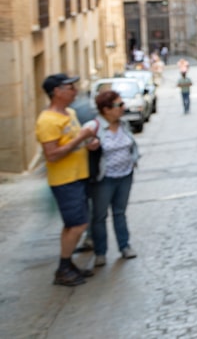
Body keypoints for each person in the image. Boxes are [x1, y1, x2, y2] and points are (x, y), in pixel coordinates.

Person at [36, 73, 100, 286]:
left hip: (78, 175)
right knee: (79, 225)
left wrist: (87, 144)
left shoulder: (70, 113)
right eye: (69, 87)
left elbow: (72, 142)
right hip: (64, 180)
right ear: (57, 92)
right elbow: (52, 154)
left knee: (72, 224)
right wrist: (81, 138)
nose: (74, 91)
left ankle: (68, 264)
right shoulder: (47, 120)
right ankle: (63, 267)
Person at [85, 90, 140, 267]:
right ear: (106, 109)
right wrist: (89, 147)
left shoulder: (124, 124)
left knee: (120, 212)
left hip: (125, 176)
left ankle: (124, 246)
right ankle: (100, 252)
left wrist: (134, 160)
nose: (123, 108)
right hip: (104, 179)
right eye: (119, 105)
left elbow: (132, 145)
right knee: (99, 216)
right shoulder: (92, 127)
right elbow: (79, 148)